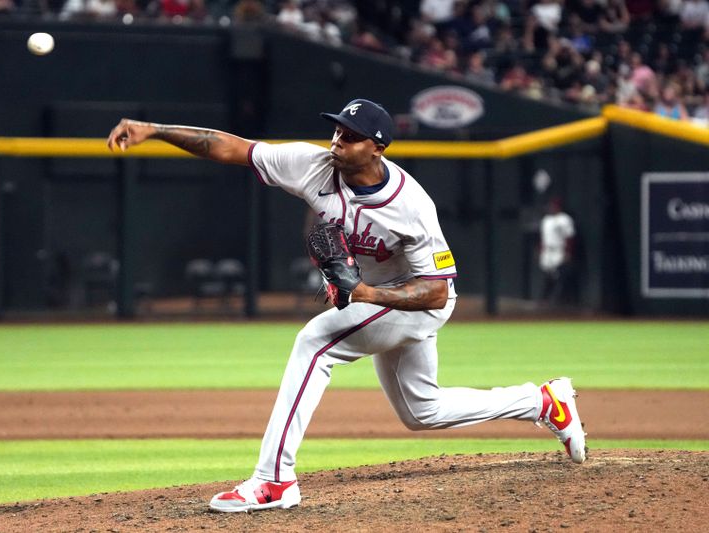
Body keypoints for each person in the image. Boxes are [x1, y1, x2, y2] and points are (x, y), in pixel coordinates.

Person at [106, 99, 587, 513]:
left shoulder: (412, 205)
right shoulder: (313, 165)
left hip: (415, 299)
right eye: (337, 129)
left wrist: (365, 295)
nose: (338, 140)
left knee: (314, 342)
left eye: (352, 136)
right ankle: (543, 401)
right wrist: (155, 130)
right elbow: (229, 145)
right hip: (378, 297)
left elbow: (438, 290)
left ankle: (274, 479)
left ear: (377, 147)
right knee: (422, 411)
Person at [539, 196, 577, 305]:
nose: (552, 208)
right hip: (547, 251)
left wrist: (568, 252)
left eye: (554, 206)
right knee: (548, 276)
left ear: (559, 207)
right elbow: (543, 237)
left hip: (559, 250)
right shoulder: (546, 220)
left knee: (560, 275)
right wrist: (541, 250)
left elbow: (569, 237)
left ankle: (560, 300)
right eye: (551, 206)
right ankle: (546, 299)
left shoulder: (565, 219)